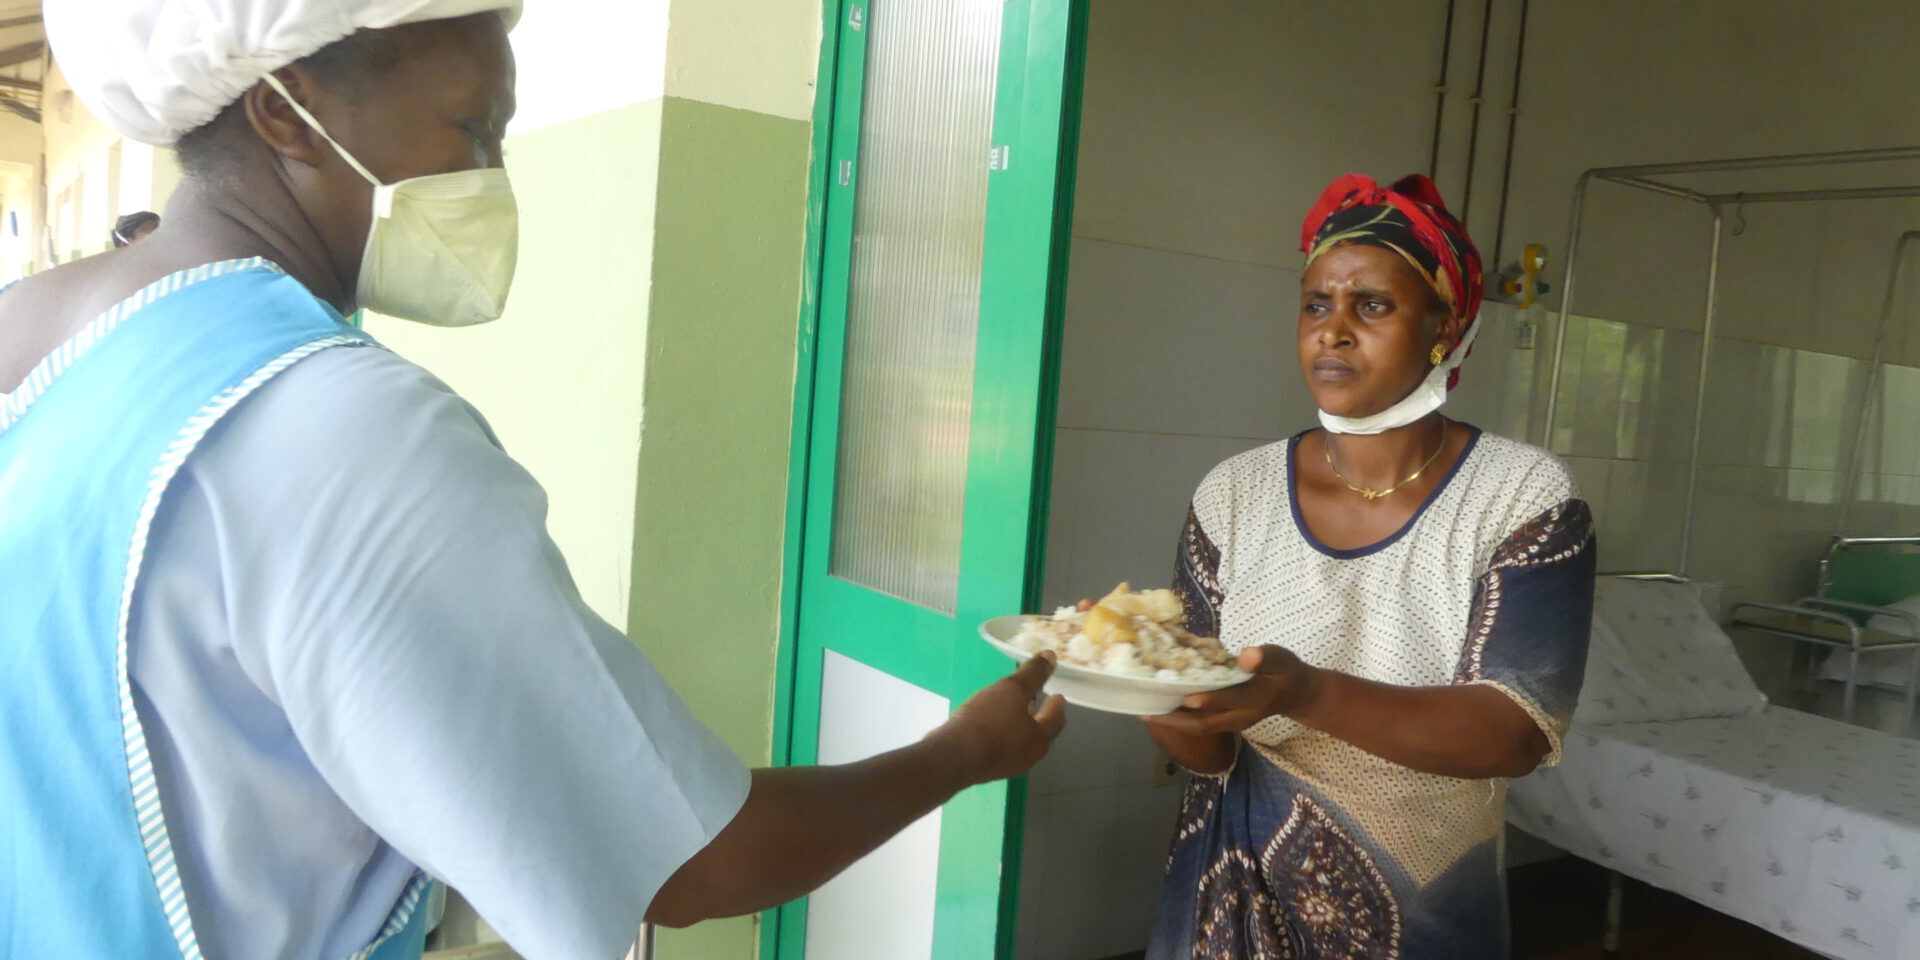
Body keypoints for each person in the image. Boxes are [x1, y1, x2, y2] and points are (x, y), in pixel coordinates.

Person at [1, 3, 1065, 959]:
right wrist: (963, 751)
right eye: (470, 130)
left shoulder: (31, 339)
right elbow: (689, 863)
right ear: (288, 109)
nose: (488, 181)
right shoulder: (343, 429)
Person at [1142, 173, 1596, 959]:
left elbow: (1513, 732)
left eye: (1372, 305)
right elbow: (1208, 750)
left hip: (1418, 896)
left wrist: (1306, 691)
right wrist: (1148, 696)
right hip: (1228, 901)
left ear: (1445, 328)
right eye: (1317, 303)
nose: (1334, 331)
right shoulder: (1235, 493)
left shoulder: (1521, 494)